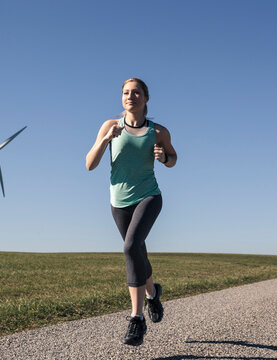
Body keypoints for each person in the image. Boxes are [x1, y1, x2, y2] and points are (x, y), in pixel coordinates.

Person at [85, 77, 177, 346]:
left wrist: (164, 158)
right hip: (119, 201)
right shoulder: (110, 126)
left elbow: (173, 158)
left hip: (149, 196)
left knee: (130, 247)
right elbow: (90, 164)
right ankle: (152, 294)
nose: (130, 96)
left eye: (136, 92)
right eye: (126, 92)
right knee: (138, 250)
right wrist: (105, 139)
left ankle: (137, 319)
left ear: (146, 98)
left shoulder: (158, 131)